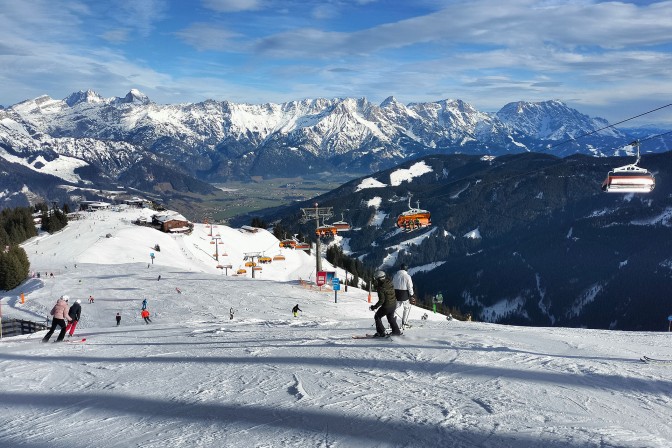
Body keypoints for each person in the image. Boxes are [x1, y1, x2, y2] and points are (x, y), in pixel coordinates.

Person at [369, 270, 401, 337]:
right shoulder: (389, 283)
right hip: (393, 304)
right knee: (391, 318)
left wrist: (374, 307)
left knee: (377, 317)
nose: (376, 280)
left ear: (379, 278)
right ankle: (396, 332)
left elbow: (381, 300)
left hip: (387, 306)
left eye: (376, 278)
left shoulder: (381, 288)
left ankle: (381, 333)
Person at [392, 263, 414, 329]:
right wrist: (412, 294)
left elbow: (393, 285)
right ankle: (404, 322)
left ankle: (392, 322)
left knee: (395, 309)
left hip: (396, 294)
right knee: (406, 308)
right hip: (405, 295)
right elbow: (410, 287)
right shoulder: (407, 276)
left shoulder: (395, 275)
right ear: (406, 269)